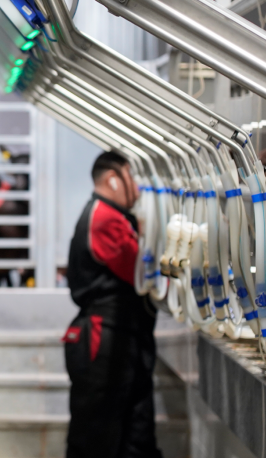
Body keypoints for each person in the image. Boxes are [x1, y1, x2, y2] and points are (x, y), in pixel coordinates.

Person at [63, 151, 162, 458]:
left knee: (136, 435)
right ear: (113, 180)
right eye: (133, 176)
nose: (139, 187)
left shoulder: (112, 215)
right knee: (97, 437)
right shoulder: (104, 218)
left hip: (123, 337)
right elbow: (140, 270)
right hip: (104, 339)